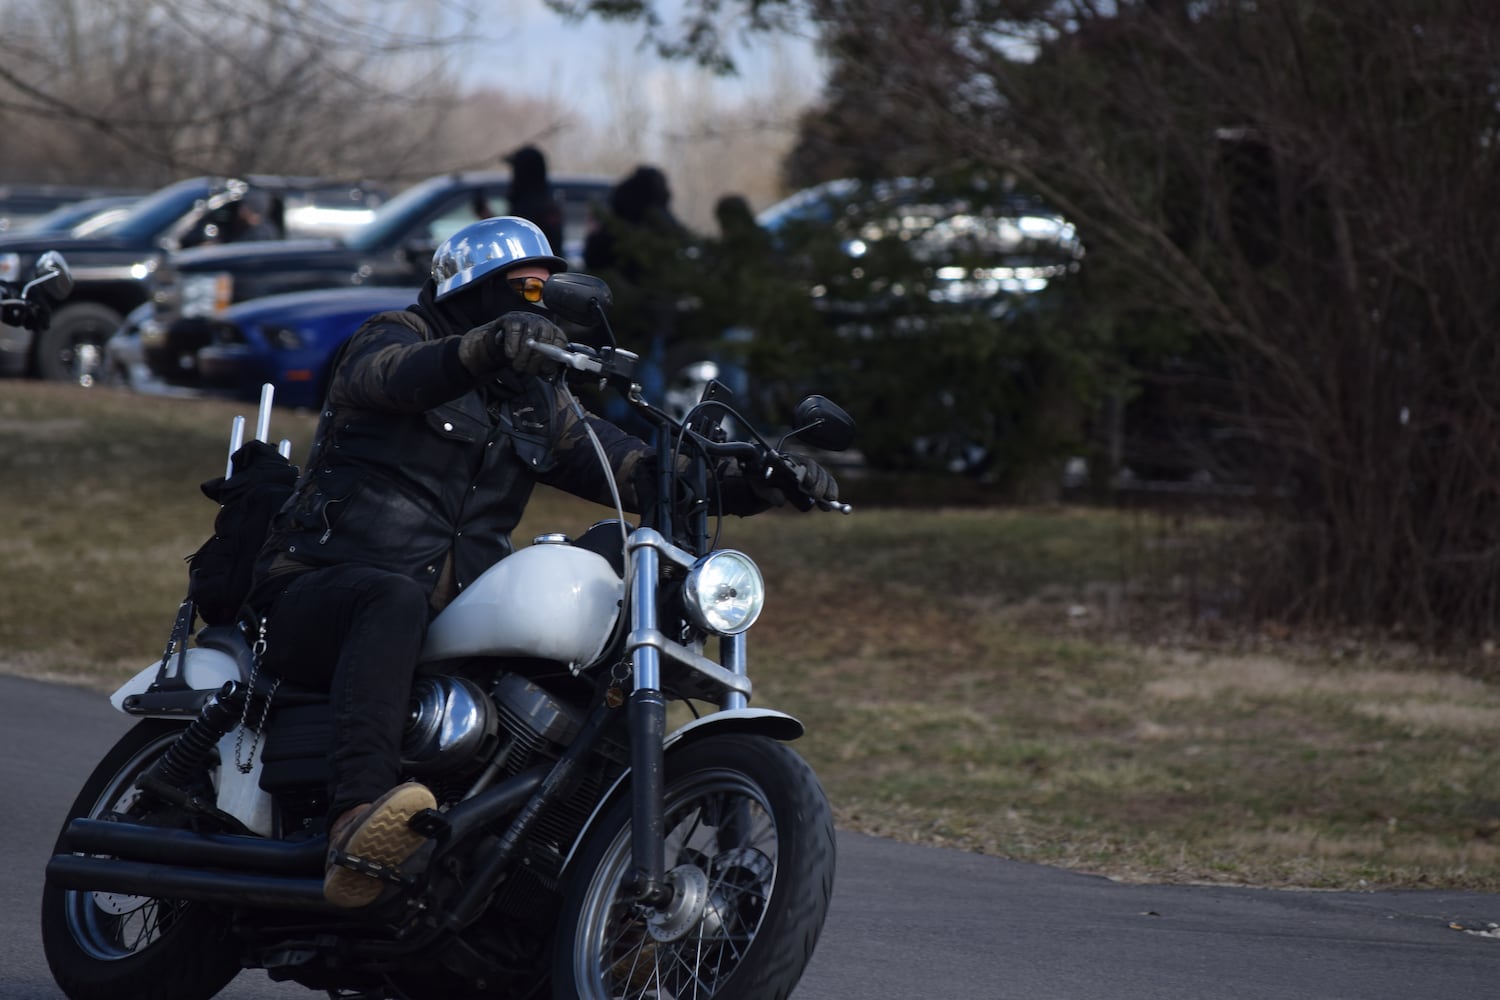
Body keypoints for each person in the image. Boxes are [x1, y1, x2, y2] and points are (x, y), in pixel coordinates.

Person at [244, 216, 838, 908]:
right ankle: (358, 819)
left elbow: (641, 471)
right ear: (472, 287)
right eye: (522, 289)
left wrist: (761, 482)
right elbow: (390, 378)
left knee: (589, 660)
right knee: (391, 598)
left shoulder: (538, 402)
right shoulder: (395, 334)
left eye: (543, 292)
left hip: (445, 616)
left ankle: (567, 884)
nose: (536, 303)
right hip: (316, 588)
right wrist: (484, 348)